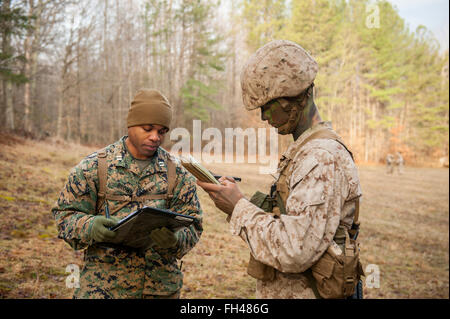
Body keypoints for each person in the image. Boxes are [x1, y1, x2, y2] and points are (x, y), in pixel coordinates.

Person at [197, 40, 363, 299]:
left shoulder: (321, 157)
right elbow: (291, 219)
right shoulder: (305, 149)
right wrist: (240, 201)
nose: (264, 117)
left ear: (294, 98)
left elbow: (296, 250)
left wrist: (238, 207)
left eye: (267, 106)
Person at [52, 88, 203, 299]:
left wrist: (175, 240)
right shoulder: (94, 167)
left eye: (161, 131)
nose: (155, 137)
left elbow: (194, 224)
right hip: (103, 290)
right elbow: (64, 217)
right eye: (147, 128)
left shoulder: (177, 173)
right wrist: (90, 226)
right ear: (131, 125)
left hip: (160, 290)